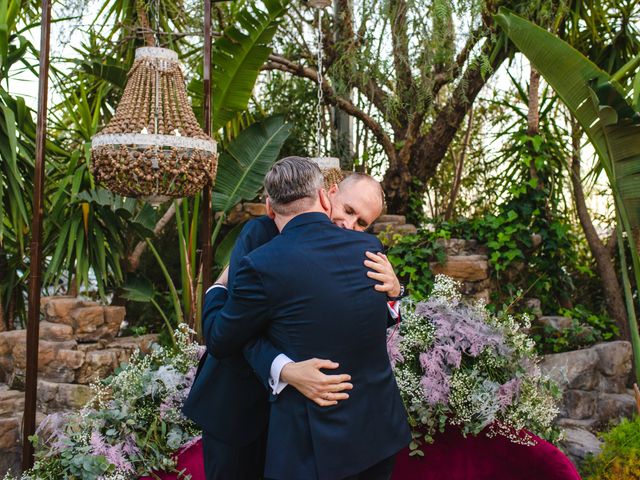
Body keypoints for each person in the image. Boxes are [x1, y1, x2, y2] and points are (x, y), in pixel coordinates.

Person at [183, 161, 405, 479]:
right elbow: (237, 329)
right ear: (327, 195)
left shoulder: (359, 250)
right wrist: (284, 369)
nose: (350, 225)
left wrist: (394, 291)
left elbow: (352, 318)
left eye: (362, 223)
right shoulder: (262, 235)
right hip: (242, 401)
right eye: (349, 210)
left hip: (301, 424)